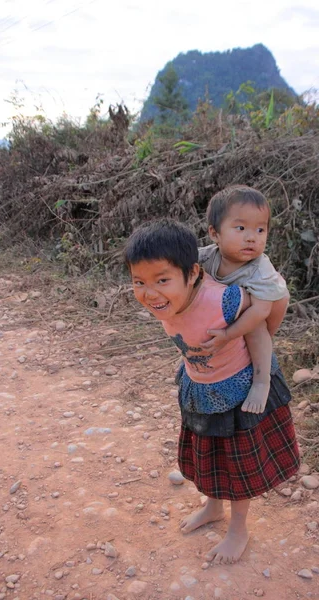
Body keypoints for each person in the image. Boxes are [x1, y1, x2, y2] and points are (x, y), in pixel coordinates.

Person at [124, 219, 299, 565]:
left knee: (237, 465)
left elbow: (263, 323)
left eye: (162, 280)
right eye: (139, 282)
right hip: (200, 388)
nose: (150, 292)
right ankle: (213, 507)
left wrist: (262, 382)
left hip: (239, 389)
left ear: (191, 274)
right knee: (209, 457)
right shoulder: (166, 301)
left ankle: (238, 528)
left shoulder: (226, 299)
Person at [199, 185, 290, 414]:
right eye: (240, 228)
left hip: (266, 312)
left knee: (255, 329)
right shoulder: (208, 255)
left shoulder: (259, 270)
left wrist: (229, 335)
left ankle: (262, 381)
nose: (252, 238)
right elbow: (182, 260)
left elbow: (261, 311)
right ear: (214, 233)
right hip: (234, 307)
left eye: (261, 230)